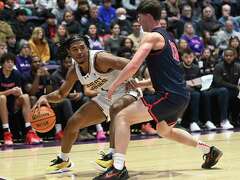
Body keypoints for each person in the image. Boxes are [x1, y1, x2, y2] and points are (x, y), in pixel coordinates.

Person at [94, 1, 223, 179]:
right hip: (180, 95)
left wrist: (115, 84)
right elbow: (167, 74)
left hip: (168, 96)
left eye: (139, 17)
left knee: (122, 116)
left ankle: (117, 167)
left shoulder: (152, 37)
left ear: (147, 16)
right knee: (164, 131)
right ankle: (209, 150)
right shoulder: (168, 37)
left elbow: (133, 65)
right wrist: (141, 84)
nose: (138, 21)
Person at [33, 34, 139, 172]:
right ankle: (64, 160)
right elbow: (60, 94)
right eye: (75, 49)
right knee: (73, 122)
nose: (79, 52)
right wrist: (45, 97)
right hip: (106, 96)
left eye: (82, 48)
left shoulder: (100, 59)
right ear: (69, 52)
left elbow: (130, 63)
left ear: (88, 48)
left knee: (116, 108)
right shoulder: (74, 71)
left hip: (127, 90)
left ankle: (112, 155)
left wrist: (135, 77)